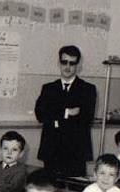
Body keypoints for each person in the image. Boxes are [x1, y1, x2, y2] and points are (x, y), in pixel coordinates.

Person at [34, 45, 97, 176]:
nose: (67, 67)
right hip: (51, 150)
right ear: (59, 63)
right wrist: (67, 112)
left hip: (75, 152)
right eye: (64, 62)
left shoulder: (88, 89)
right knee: (49, 190)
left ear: (78, 65)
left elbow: (86, 118)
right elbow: (40, 115)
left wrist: (54, 113)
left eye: (72, 63)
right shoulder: (48, 88)